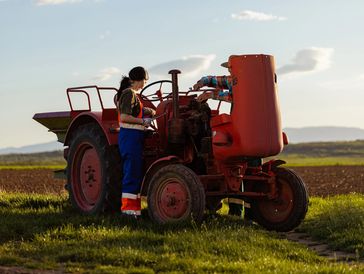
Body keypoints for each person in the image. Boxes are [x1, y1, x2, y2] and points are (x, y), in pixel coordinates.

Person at [193, 61, 245, 217]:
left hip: (244, 127)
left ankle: (238, 212)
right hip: (244, 127)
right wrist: (202, 82)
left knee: (240, 167)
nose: (229, 70)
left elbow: (233, 97)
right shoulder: (232, 79)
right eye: (229, 68)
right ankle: (237, 211)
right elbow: (215, 80)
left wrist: (210, 94)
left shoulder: (242, 83)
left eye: (231, 68)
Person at [116, 66, 155, 217]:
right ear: (140, 80)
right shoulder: (128, 94)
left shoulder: (132, 95)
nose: (144, 84)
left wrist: (148, 112)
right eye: (145, 81)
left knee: (135, 172)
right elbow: (125, 117)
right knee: (131, 173)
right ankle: (128, 212)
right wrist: (142, 121)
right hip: (130, 136)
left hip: (134, 136)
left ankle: (134, 211)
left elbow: (132, 112)